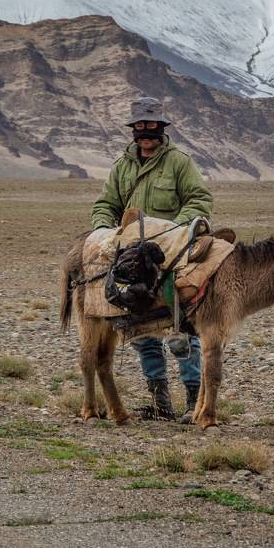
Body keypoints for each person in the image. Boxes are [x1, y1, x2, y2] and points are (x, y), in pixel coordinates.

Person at [91, 96, 213, 421]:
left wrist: (172, 229)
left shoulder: (179, 162)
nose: (146, 132)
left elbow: (199, 200)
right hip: (132, 258)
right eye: (140, 126)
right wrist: (104, 231)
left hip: (171, 255)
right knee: (140, 330)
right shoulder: (122, 165)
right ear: (133, 129)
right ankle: (161, 405)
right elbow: (105, 204)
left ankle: (193, 403)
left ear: (161, 127)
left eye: (152, 126)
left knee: (182, 330)